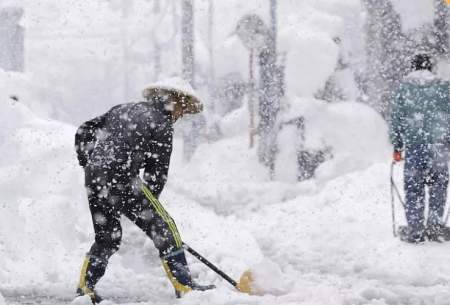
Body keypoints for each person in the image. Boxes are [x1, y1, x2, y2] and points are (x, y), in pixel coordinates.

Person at [74, 78, 215, 303]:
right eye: (182, 109)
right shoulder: (161, 123)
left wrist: (89, 163)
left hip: (95, 178)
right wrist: (148, 211)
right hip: (122, 178)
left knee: (108, 237)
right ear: (175, 101)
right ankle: (185, 286)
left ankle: (85, 286)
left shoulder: (123, 109)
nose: (180, 115)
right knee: (166, 228)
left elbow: (84, 130)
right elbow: (156, 175)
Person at [390, 54, 450, 243]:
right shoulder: (444, 89)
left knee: (414, 187)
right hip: (439, 145)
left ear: (412, 67)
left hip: (415, 145)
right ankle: (434, 226)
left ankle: (415, 229)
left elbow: (397, 118)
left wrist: (397, 145)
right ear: (431, 68)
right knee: (438, 186)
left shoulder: (404, 90)